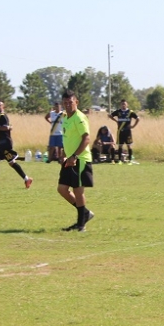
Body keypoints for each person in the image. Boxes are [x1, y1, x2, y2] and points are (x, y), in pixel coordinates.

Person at [58, 89, 95, 232]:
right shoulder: (66, 118)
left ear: (76, 102)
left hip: (80, 159)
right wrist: (65, 154)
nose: (68, 105)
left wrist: (74, 156)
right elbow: (68, 138)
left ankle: (81, 224)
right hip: (70, 159)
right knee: (62, 189)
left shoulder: (79, 118)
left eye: (70, 102)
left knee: (78, 191)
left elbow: (86, 138)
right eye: (65, 103)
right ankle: (85, 213)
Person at [0, 100, 32, 189]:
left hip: (5, 144)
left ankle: (27, 179)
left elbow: (6, 127)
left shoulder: (3, 116)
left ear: (3, 107)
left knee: (10, 162)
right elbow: (6, 128)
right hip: (2, 144)